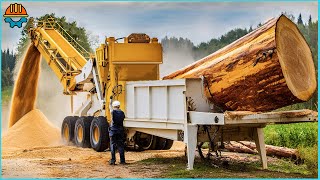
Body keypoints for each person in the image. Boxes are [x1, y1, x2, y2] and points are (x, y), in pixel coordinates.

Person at [109, 96, 126, 165]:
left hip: (113, 131)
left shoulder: (112, 112)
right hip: (120, 131)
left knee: (113, 145)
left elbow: (109, 106)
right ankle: (122, 161)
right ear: (119, 106)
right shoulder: (122, 113)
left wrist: (110, 100)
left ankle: (113, 161)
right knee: (121, 146)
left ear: (114, 106)